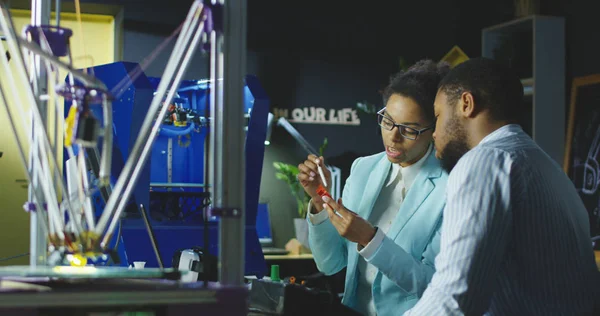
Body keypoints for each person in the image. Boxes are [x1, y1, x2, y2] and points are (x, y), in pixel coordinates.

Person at [405, 57, 600, 315]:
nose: (434, 133)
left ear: (466, 103)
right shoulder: (546, 166)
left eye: (438, 116)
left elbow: (454, 300)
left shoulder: (485, 161)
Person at [297, 60, 450, 316]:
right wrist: (320, 197)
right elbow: (330, 264)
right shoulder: (363, 169)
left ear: (433, 130)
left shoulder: (449, 185)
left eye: (409, 129)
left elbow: (433, 286)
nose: (393, 136)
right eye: (387, 121)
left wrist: (369, 239)